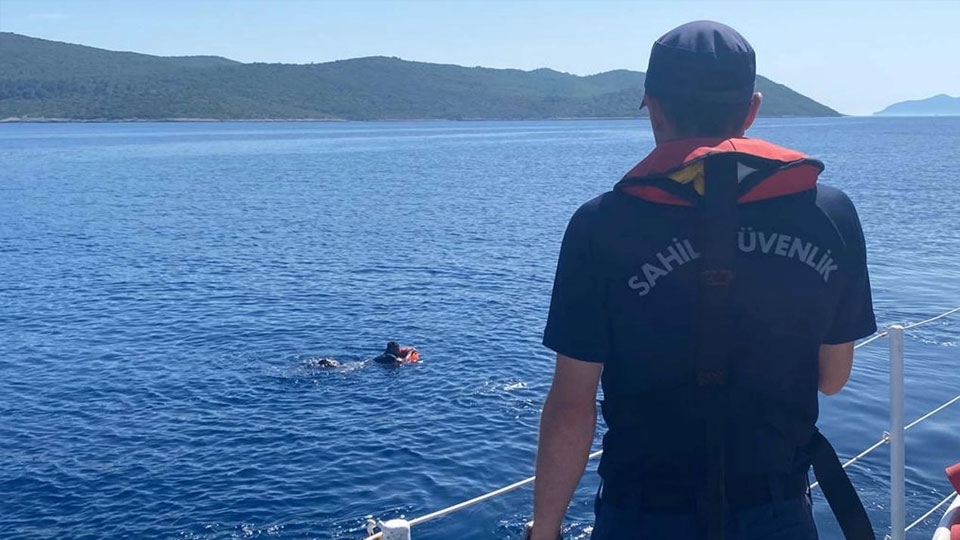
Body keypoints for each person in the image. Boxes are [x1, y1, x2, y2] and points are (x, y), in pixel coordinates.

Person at [530, 21, 876, 540]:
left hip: (643, 515)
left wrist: (547, 528)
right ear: (752, 108)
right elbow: (832, 377)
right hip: (777, 511)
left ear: (653, 106)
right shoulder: (830, 212)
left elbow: (571, 404)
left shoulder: (601, 225)